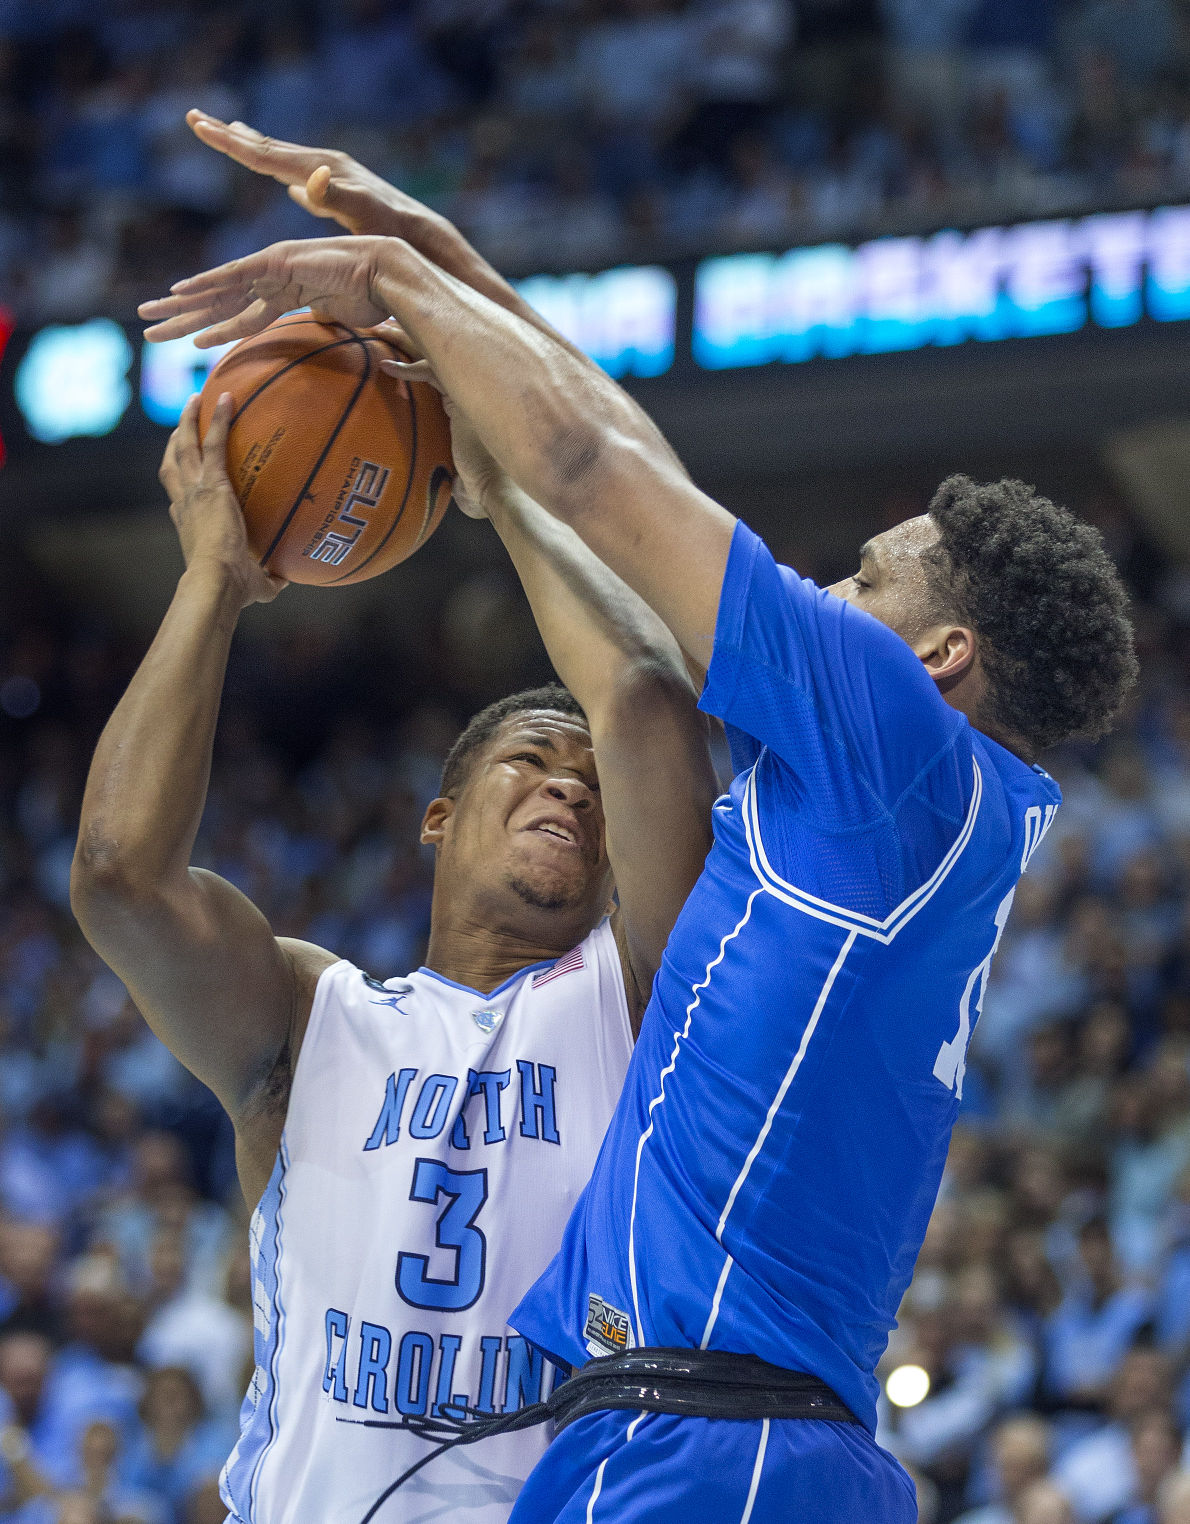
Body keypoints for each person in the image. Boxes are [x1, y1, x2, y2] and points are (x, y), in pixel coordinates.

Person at [142, 118, 1137, 1524]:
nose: (820, 590)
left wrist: (389, 281)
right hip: (709, 1435)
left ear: (940, 658)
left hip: (705, 1438)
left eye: (864, 577)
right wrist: (442, 258)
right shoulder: (904, 804)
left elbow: (595, 474)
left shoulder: (896, 743)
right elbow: (619, 497)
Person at [73, 301, 717, 1521]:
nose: (568, 786)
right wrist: (216, 577)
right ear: (438, 816)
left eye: (587, 784)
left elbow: (641, 700)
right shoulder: (313, 1016)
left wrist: (502, 489)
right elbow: (120, 877)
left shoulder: (639, 1000)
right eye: (530, 758)